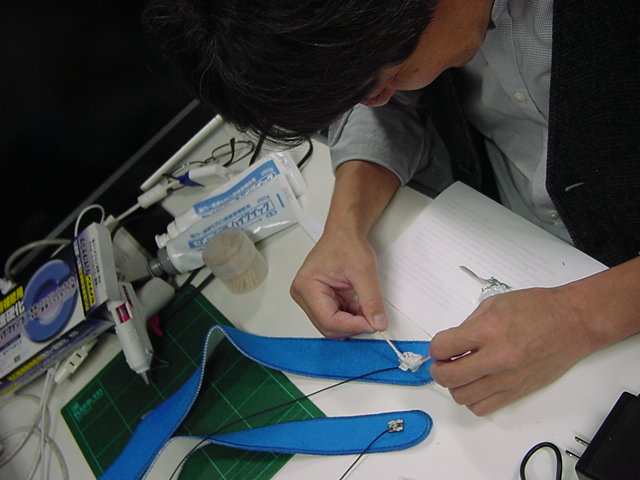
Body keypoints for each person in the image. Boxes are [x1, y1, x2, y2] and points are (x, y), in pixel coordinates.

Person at [143, 0, 640, 415]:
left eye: (389, 77)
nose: (378, 99)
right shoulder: (395, 27)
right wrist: (345, 226)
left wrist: (582, 315)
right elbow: (389, 103)